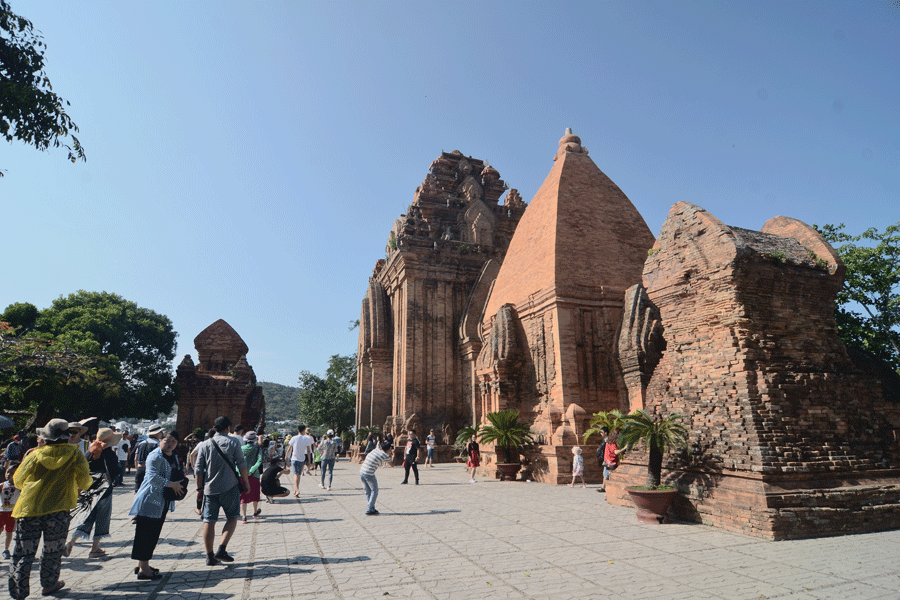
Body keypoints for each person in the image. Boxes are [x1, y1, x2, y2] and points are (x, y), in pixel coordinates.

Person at [9, 418, 92, 599]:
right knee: (52, 550)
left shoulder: (35, 455)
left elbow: (18, 480)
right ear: (66, 437)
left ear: (46, 437)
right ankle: (49, 584)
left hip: (30, 508)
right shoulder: (75, 455)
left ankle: (18, 592)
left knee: (23, 552)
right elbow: (85, 482)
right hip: (59, 508)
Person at [193, 416, 250, 566]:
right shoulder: (233, 442)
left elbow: (198, 469)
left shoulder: (205, 444)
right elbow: (242, 464)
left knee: (209, 521)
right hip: (230, 487)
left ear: (214, 427)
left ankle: (209, 556)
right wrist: (246, 482)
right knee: (232, 517)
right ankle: (222, 549)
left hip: (209, 489)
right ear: (228, 427)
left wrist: (199, 489)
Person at [129, 431, 186, 580]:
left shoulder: (172, 456)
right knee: (146, 533)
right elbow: (152, 476)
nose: (170, 444)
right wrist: (171, 484)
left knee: (152, 533)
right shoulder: (155, 456)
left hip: (162, 501)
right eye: (167, 440)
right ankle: (144, 569)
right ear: (160, 440)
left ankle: (143, 564)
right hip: (150, 499)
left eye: (173, 441)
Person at [65, 428, 121, 559]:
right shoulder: (109, 454)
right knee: (102, 518)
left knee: (87, 518)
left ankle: (70, 543)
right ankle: (94, 548)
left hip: (88, 489)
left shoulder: (89, 452)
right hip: (104, 491)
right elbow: (115, 472)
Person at [359, 441, 392, 515]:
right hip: (369, 473)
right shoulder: (384, 455)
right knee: (375, 491)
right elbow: (392, 464)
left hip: (362, 471)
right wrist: (390, 455)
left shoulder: (375, 450)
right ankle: (369, 509)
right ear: (389, 449)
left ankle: (372, 508)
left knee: (368, 491)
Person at [239, 431, 263, 524]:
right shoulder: (257, 448)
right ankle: (255, 511)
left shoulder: (241, 448)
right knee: (255, 494)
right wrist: (252, 470)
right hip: (254, 475)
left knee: (243, 495)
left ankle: (244, 517)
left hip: (242, 474)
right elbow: (259, 461)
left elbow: (237, 461)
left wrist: (240, 471)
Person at [286, 424, 313, 497]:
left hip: (294, 458)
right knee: (299, 474)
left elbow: (289, 448)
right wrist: (309, 460)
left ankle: (296, 489)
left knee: (295, 474)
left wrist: (286, 456)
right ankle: (296, 489)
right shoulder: (306, 439)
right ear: (304, 430)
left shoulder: (294, 438)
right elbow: (308, 450)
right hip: (302, 459)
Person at [135, 424, 164, 491]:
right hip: (151, 471)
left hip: (140, 469)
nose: (162, 433)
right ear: (156, 433)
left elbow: (136, 458)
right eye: (161, 432)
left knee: (137, 491)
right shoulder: (158, 444)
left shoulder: (141, 443)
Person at [1, 464, 20, 560]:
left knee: (9, 532)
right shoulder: (2, 485)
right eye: (8, 472)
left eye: (12, 473)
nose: (9, 474)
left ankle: (6, 549)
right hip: (1, 512)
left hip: (12, 513)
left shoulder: (19, 486)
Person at [595, 427, 609, 492]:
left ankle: (603, 487)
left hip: (607, 459)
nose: (600, 434)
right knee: (605, 473)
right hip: (605, 458)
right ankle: (603, 486)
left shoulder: (608, 441)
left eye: (602, 432)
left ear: (606, 433)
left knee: (606, 473)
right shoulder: (605, 440)